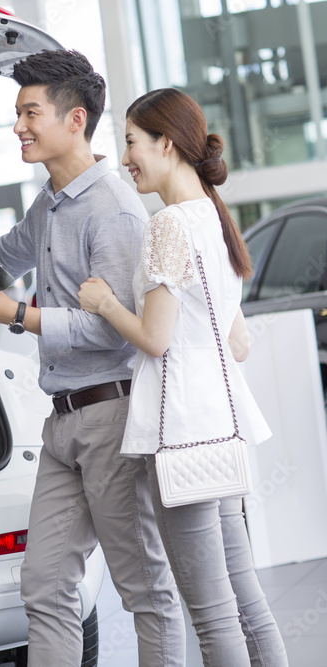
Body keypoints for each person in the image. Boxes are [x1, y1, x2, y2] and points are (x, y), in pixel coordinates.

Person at [0, 50, 186, 666]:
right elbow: (0, 262)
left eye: (30, 113)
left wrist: (17, 316)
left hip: (112, 419)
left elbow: (118, 330)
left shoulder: (114, 210)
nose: (18, 127)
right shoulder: (53, 200)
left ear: (75, 119)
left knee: (145, 590)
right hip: (62, 423)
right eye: (16, 114)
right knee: (44, 585)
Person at [78, 87, 288, 666]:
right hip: (221, 426)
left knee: (212, 613)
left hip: (181, 434)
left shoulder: (169, 225)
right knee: (246, 601)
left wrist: (102, 302)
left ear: (165, 143)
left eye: (130, 142)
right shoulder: (215, 219)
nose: (124, 159)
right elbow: (237, 341)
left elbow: (155, 338)